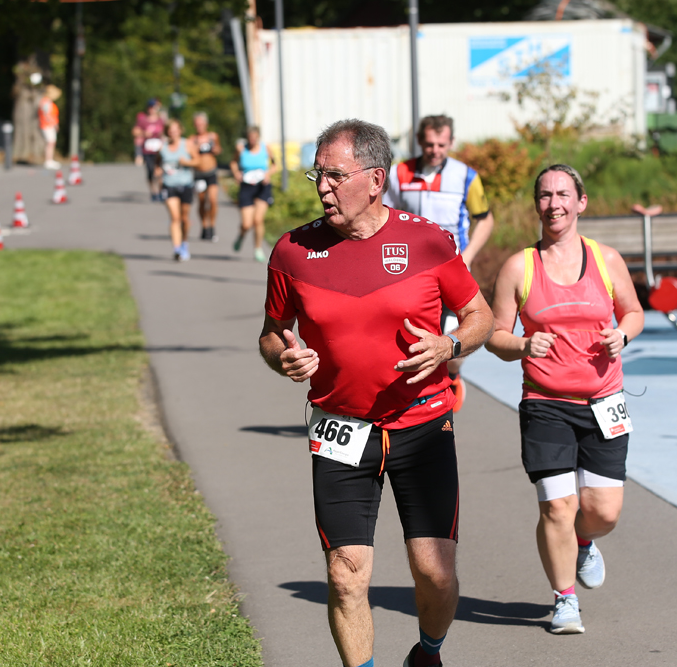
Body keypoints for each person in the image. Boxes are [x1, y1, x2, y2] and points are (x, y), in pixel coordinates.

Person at [259, 119, 493, 667]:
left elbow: (479, 316)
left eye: (334, 175)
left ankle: (428, 651)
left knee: (435, 572)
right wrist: (283, 358)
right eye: (317, 174)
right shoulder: (293, 251)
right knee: (345, 574)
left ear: (374, 179)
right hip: (341, 431)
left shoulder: (427, 241)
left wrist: (450, 345)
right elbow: (271, 334)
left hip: (423, 424)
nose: (322, 187)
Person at [485, 164, 643, 635]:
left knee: (603, 512)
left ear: (581, 202)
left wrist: (622, 334)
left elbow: (634, 311)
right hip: (545, 403)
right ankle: (564, 600)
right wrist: (521, 345)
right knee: (556, 505)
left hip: (603, 401)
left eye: (563, 195)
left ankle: (585, 542)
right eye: (545, 195)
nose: (554, 204)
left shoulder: (607, 260)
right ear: (537, 204)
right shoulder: (519, 267)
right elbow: (495, 335)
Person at [385, 114, 494, 411]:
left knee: (456, 339)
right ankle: (417, 399)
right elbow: (385, 216)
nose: (435, 150)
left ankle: (454, 377)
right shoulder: (398, 174)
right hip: (410, 273)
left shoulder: (465, 175)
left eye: (442, 144)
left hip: (454, 271)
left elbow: (485, 219)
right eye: (430, 144)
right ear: (420, 142)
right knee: (410, 336)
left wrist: (467, 255)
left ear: (451, 142)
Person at [231, 126, 278, 263]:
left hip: (262, 186)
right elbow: (233, 163)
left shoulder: (265, 148)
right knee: (247, 223)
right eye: (250, 137)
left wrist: (268, 174)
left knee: (258, 220)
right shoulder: (241, 148)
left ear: (258, 137)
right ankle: (241, 235)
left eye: (254, 137)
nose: (252, 140)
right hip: (246, 186)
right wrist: (236, 173)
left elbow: (274, 164)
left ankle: (257, 248)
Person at [160, 119, 199, 261]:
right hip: (168, 185)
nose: (173, 133)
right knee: (175, 218)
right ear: (167, 132)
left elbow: (197, 161)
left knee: (184, 218)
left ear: (180, 131)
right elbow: (159, 163)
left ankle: (184, 243)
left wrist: (186, 162)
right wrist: (159, 173)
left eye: (175, 130)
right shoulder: (163, 147)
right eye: (170, 130)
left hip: (186, 185)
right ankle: (176, 248)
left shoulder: (187, 144)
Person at [191, 111, 221, 241]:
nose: (199, 126)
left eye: (201, 123)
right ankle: (204, 226)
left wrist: (215, 149)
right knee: (202, 201)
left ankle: (212, 225)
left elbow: (219, 149)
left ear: (206, 124)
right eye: (197, 124)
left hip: (211, 172)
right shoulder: (192, 140)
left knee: (213, 200)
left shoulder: (212, 136)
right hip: (199, 174)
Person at [132, 99, 166, 201]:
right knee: (150, 172)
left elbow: (167, 131)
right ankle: (153, 192)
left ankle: (160, 191)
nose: (152, 110)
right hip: (147, 150)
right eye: (151, 107)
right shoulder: (143, 120)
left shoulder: (161, 120)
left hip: (159, 150)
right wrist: (144, 133)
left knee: (159, 171)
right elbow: (135, 132)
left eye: (154, 107)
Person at [38, 85, 62, 170]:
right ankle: (48, 161)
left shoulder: (46, 101)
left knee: (51, 143)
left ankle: (50, 160)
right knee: (50, 142)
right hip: (47, 125)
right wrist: (53, 123)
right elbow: (47, 114)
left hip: (48, 125)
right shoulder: (45, 102)